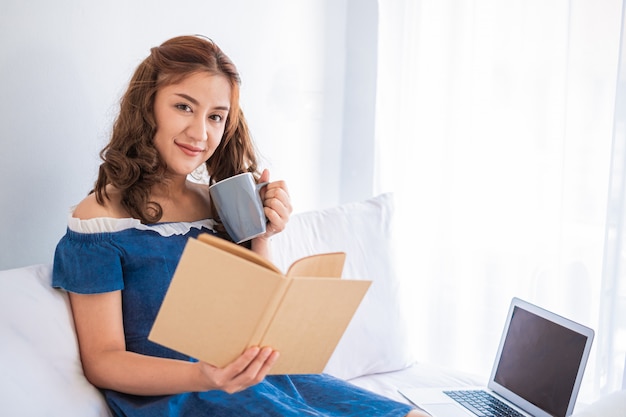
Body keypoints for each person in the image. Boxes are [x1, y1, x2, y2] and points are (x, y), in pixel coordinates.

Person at [52, 35, 426, 417]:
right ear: (147, 108)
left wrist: (261, 234)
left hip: (262, 381)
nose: (200, 133)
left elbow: (255, 320)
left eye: (215, 116)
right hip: (182, 396)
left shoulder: (217, 202)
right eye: (184, 107)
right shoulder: (99, 219)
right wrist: (203, 376)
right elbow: (103, 361)